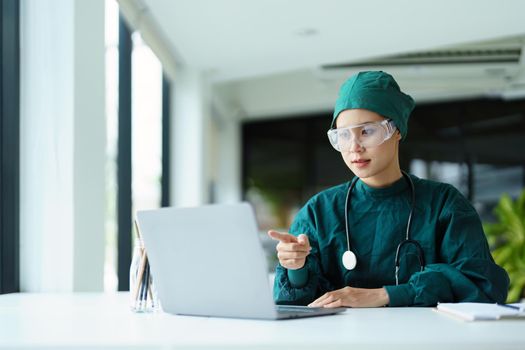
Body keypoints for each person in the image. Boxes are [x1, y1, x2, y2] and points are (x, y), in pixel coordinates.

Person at [267, 71, 509, 308]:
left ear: (397, 130)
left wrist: (387, 295)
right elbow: (295, 307)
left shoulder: (444, 204)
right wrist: (296, 267)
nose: (354, 147)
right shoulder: (319, 213)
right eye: (343, 135)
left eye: (367, 131)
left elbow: (482, 285)